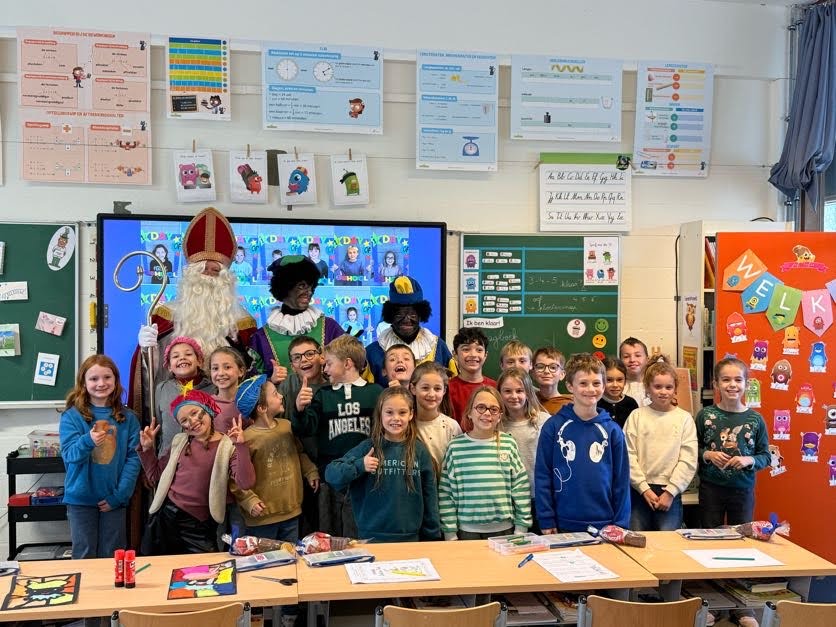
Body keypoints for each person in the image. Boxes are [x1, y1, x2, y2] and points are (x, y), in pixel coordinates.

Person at [131, 207, 257, 420]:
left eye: (215, 271)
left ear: (226, 278)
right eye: (203, 270)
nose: (209, 276)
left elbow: (251, 376)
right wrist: (145, 352)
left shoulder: (242, 322)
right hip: (175, 411)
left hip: (224, 416)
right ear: (191, 274)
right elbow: (151, 379)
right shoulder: (165, 315)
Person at [232, 375, 318, 627]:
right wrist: (249, 500)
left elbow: (299, 453)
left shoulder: (287, 426)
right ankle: (260, 616)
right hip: (262, 520)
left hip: (290, 511)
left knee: (290, 564)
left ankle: (290, 614)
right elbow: (235, 480)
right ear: (261, 407)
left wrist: (310, 471)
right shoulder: (246, 438)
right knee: (265, 569)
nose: (281, 396)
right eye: (274, 394)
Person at [696, 357, 770, 627]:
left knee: (742, 545)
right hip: (711, 489)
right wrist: (707, 455)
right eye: (725, 379)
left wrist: (749, 460)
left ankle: (742, 608)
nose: (732, 385)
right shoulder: (705, 416)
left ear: (746, 384)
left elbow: (766, 456)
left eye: (738, 380)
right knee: (709, 545)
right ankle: (712, 603)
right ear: (715, 383)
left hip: (742, 490)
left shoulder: (755, 419)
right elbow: (692, 449)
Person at [138, 388, 255, 555]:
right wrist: (147, 449)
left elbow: (246, 483)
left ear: (208, 410)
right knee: (161, 565)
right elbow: (155, 475)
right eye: (184, 420)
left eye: (194, 413)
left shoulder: (227, 445)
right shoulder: (180, 442)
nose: (192, 421)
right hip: (165, 517)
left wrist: (240, 446)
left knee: (204, 566)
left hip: (199, 524)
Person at [293, 335, 384, 537]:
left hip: (367, 477)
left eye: (329, 364)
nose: (324, 369)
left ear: (347, 363)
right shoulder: (323, 395)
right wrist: (299, 409)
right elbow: (305, 429)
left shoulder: (376, 393)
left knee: (363, 533)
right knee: (330, 534)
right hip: (331, 478)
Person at [325, 387, 440, 542]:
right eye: (389, 412)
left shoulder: (419, 450)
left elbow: (430, 495)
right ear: (380, 414)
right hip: (370, 537)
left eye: (402, 412)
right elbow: (331, 474)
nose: (396, 418)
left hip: (411, 538)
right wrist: (360, 465)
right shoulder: (368, 448)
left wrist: (432, 535)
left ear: (411, 414)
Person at [535, 353, 630, 533]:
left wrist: (621, 523)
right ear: (570, 386)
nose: (590, 389)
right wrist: (546, 519)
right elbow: (543, 476)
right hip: (562, 524)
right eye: (583, 383)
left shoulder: (613, 431)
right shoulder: (552, 427)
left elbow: (621, 481)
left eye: (596, 383)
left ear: (603, 386)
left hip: (606, 524)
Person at [60, 355, 141, 560]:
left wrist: (119, 496)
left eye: (107, 377)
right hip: (81, 500)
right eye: (94, 379)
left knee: (113, 555)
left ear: (115, 380)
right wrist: (88, 440)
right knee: (84, 554)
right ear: (83, 382)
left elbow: (133, 460)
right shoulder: (72, 416)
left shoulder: (128, 418)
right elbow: (70, 455)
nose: (101, 383)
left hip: (114, 499)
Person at [439, 386, 531, 540]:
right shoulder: (455, 447)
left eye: (493, 409)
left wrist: (522, 527)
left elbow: (520, 487)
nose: (487, 413)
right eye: (481, 407)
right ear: (469, 412)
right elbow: (446, 493)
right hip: (466, 531)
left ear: (500, 416)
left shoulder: (508, 444)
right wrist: (449, 533)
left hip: (505, 530)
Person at [624, 358, 697, 531]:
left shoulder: (684, 419)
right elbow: (628, 454)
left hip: (670, 491)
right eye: (657, 387)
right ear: (647, 388)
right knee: (637, 539)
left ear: (675, 389)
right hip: (639, 491)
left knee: (668, 542)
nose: (663, 392)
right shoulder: (636, 416)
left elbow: (688, 459)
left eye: (668, 387)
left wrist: (671, 491)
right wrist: (644, 488)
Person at [248, 255, 344, 381]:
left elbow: (350, 368)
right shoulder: (261, 338)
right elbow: (250, 382)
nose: (309, 291)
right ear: (284, 288)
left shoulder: (330, 328)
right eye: (301, 286)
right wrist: (270, 380)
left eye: (311, 286)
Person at [365, 275, 456, 386]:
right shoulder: (373, 352)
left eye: (412, 314)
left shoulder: (438, 347)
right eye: (399, 314)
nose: (406, 320)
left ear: (421, 316)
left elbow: (452, 386)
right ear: (390, 316)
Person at [498, 367, 549, 533]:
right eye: (507, 391)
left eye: (519, 391)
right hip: (507, 499)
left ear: (528, 392)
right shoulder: (495, 424)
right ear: (499, 393)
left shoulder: (543, 421)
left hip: (537, 496)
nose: (514, 396)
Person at [155, 336, 215, 455]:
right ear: (169, 366)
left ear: (199, 361)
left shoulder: (213, 389)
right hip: (168, 457)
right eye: (175, 356)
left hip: (203, 457)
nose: (182, 358)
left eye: (188, 354)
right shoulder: (162, 388)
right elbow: (159, 423)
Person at [410, 362, 460, 474]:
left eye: (437, 389)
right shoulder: (405, 424)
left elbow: (457, 465)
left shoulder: (451, 427)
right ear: (413, 388)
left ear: (444, 391)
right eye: (425, 388)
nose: (431, 394)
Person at [447, 327, 496, 424]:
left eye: (479, 350)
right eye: (466, 349)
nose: (473, 354)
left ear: (485, 355)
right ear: (455, 354)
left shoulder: (495, 387)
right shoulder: (447, 388)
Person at [208, 347, 248, 433]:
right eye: (215, 368)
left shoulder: (252, 401)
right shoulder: (206, 406)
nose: (221, 373)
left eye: (227, 367)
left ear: (241, 371)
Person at [597, 357, 639, 429]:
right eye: (609, 380)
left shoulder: (631, 403)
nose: (615, 385)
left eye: (619, 380)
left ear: (625, 381)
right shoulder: (595, 403)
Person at [531, 347, 572, 415]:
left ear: (562, 374)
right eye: (540, 367)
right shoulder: (527, 402)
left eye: (553, 367)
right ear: (533, 373)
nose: (546, 371)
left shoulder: (571, 406)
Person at [619, 337, 650, 405]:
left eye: (638, 355)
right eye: (626, 356)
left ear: (647, 360)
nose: (632, 360)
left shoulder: (655, 386)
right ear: (620, 361)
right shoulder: (616, 387)